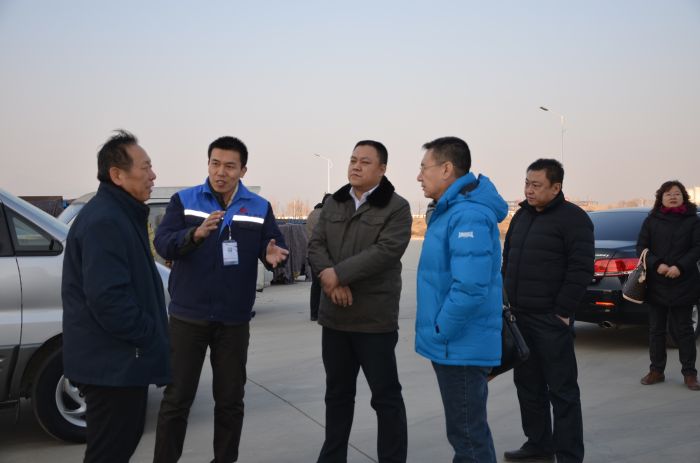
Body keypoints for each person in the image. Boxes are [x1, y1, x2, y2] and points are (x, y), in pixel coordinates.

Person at [152, 136, 288, 463]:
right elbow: (163, 243)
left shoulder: (259, 207)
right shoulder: (184, 201)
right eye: (215, 164)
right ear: (208, 164)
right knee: (177, 400)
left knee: (230, 401)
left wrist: (272, 255)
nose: (220, 172)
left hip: (233, 320)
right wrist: (195, 234)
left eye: (229, 166)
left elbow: (274, 245)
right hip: (188, 318)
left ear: (243, 170)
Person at [61, 130, 171, 463]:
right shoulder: (105, 221)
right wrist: (150, 335)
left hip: (118, 363)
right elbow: (108, 299)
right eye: (146, 167)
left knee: (117, 446)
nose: (153, 175)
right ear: (117, 175)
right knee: (110, 451)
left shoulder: (120, 214)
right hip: (112, 366)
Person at [308, 140, 412, 463]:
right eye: (353, 160)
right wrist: (330, 279)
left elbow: (385, 252)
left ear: (382, 169)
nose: (355, 166)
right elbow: (316, 245)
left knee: (385, 397)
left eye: (365, 162)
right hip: (335, 318)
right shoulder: (334, 203)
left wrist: (338, 274)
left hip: (373, 320)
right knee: (337, 395)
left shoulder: (397, 207)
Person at [415, 136, 507, 463]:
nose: (419, 176)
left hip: (460, 345)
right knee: (465, 433)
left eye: (424, 168)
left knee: (468, 437)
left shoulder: (468, 215)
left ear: (446, 169)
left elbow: (470, 287)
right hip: (455, 344)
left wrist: (442, 329)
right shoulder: (452, 211)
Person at [501, 158, 594, 463]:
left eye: (536, 185)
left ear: (556, 188)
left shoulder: (574, 219)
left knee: (562, 391)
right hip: (519, 317)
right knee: (528, 386)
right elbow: (508, 259)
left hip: (550, 320)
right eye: (527, 183)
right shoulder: (521, 216)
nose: (529, 190)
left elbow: (581, 269)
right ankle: (538, 444)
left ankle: (568, 455)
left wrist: (562, 311)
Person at [636, 180, 700, 391]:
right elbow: (641, 247)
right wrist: (658, 265)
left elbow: (697, 248)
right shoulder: (651, 220)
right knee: (656, 330)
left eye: (677, 193)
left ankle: (690, 374)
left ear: (684, 197)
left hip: (685, 281)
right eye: (668, 194)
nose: (673, 197)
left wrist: (680, 267)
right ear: (661, 198)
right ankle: (656, 371)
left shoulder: (693, 220)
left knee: (684, 330)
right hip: (657, 282)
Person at [306, 193, 332, 321]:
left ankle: (314, 313)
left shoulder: (312, 214)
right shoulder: (325, 215)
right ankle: (323, 312)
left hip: (311, 254)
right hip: (323, 254)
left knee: (316, 285)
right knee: (326, 283)